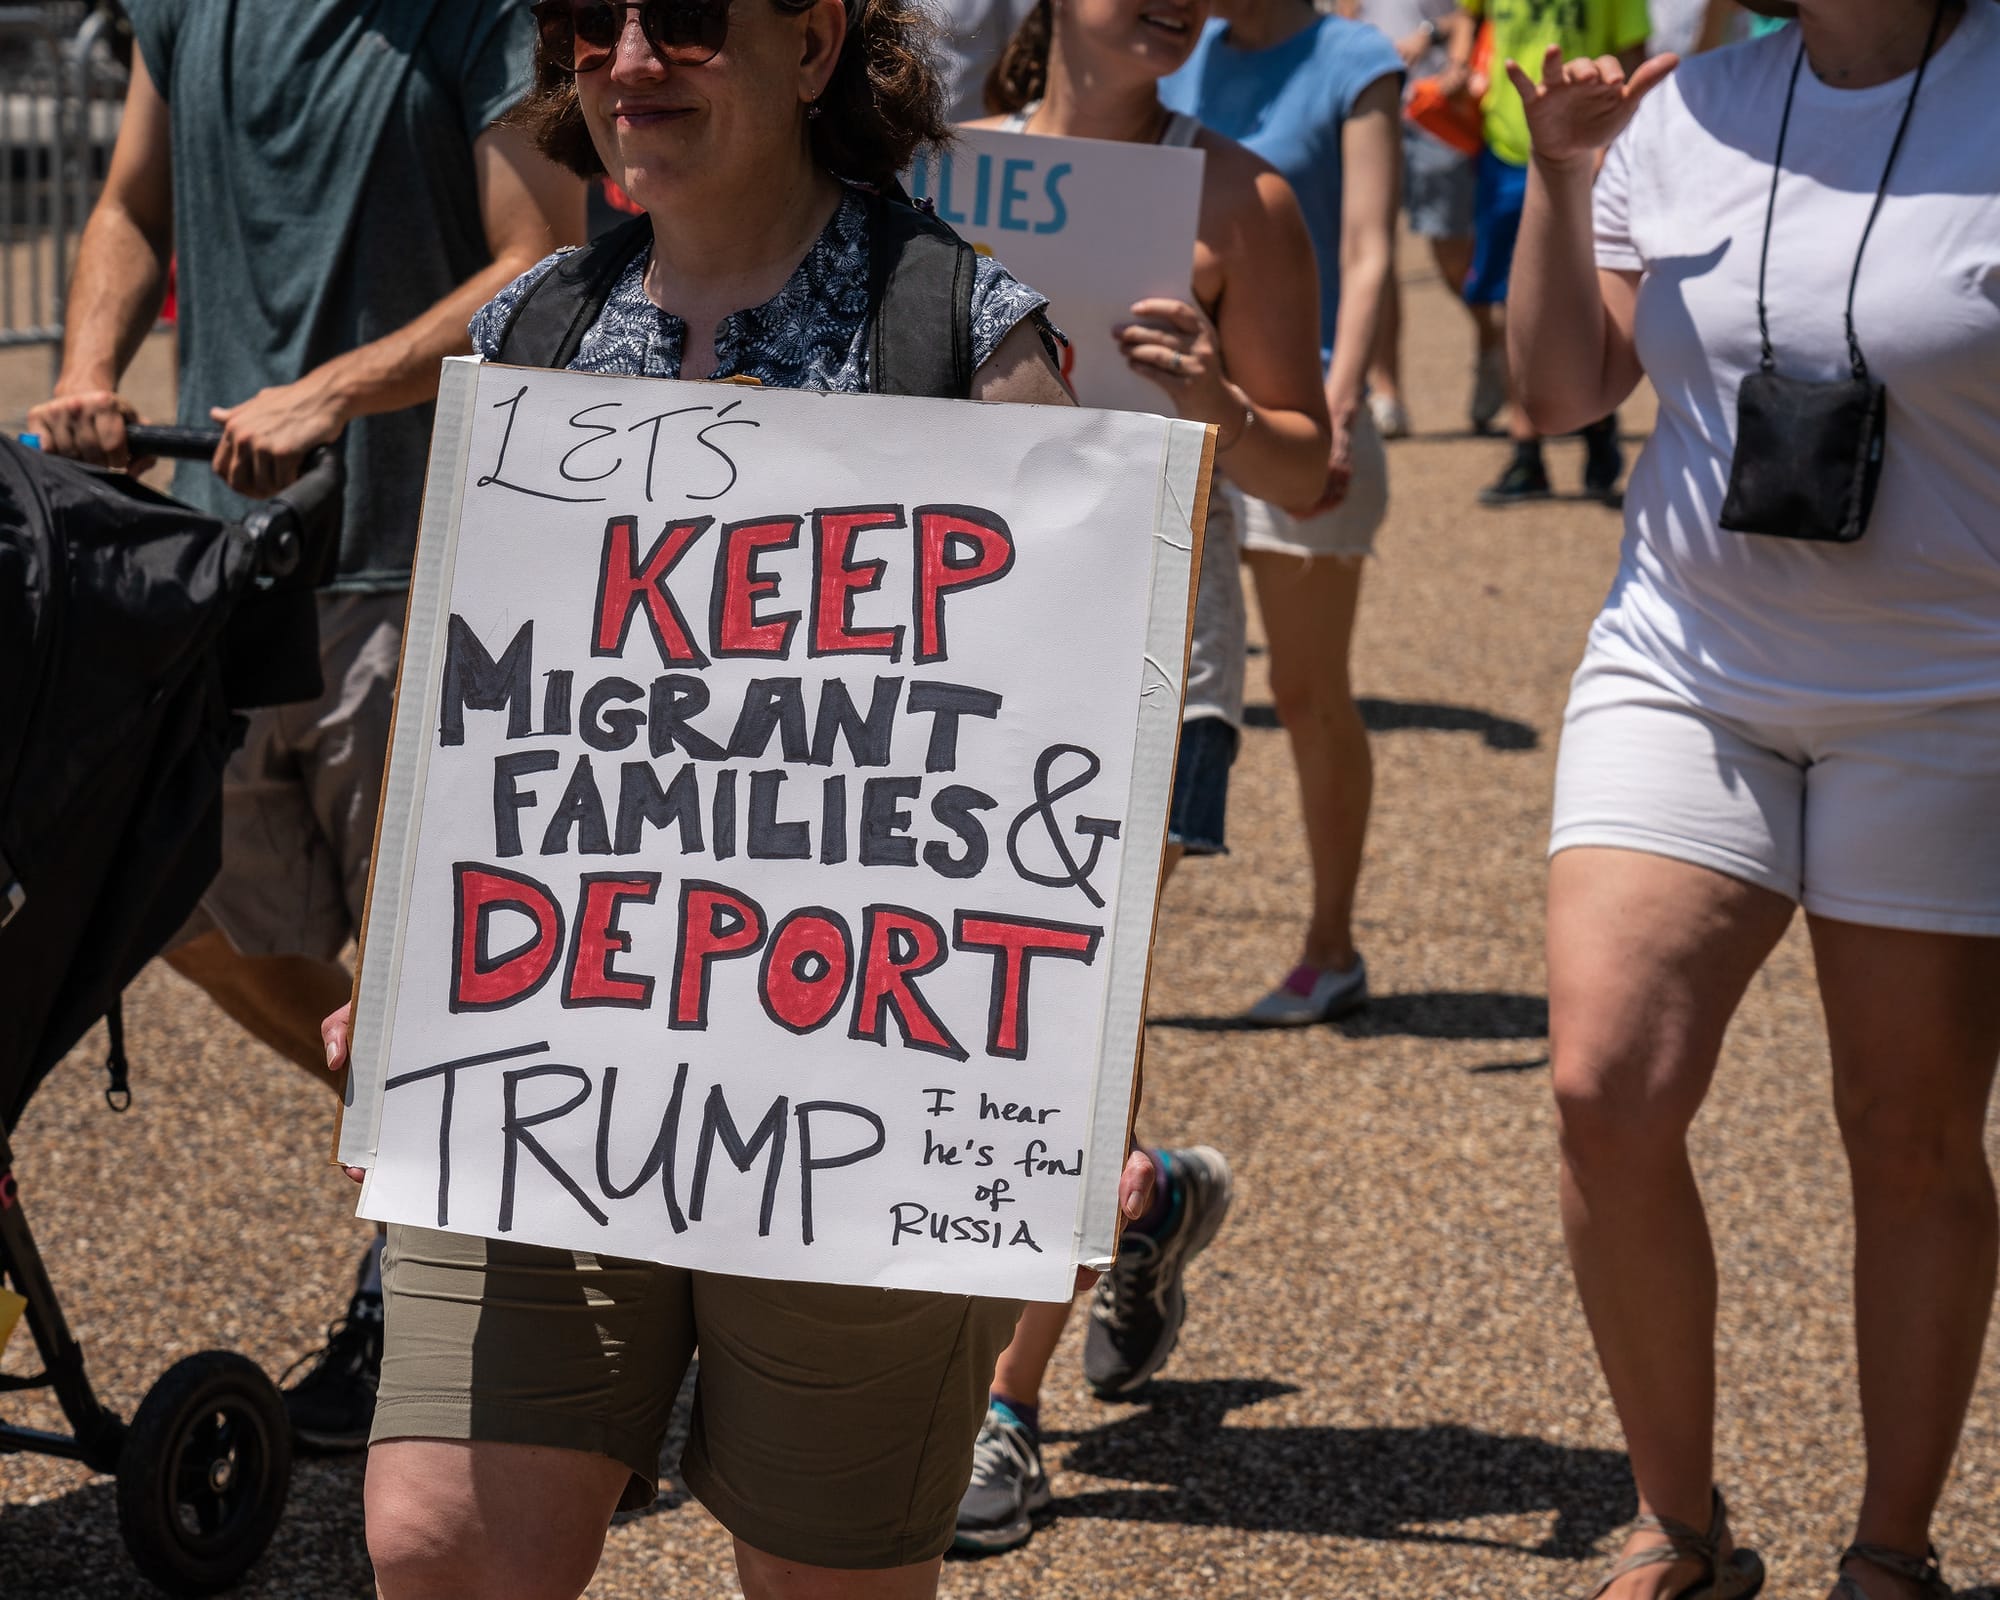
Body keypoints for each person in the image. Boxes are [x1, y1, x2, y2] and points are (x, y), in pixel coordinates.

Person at [319, 1, 1160, 1594]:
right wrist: (399, 971)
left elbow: (1064, 738)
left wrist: (1071, 1066)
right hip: (544, 1064)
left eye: (691, 18)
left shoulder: (964, 331)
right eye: (591, 22)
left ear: (818, 45)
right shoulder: (531, 337)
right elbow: (472, 700)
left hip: (860, 1091)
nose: (633, 60)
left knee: (820, 1576)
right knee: (438, 1550)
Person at [26, 1, 584, 1451]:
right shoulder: (188, 10)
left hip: (428, 550)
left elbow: (544, 257)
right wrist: (92, 369)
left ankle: (438, 1312)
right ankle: (427, 1150)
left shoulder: (477, 18)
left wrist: (337, 391)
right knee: (182, 907)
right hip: (231, 566)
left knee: (433, 966)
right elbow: (128, 207)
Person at [1507, 1, 2000, 1595]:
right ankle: (1684, 1525)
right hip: (1688, 663)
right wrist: (1557, 177)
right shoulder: (1686, 108)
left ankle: (1893, 1552)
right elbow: (1560, 393)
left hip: (1952, 689)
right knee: (1605, 1087)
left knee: (1909, 1133)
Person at [951, 0, 1333, 1551]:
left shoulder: (1240, 200)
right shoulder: (932, 171)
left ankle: (1000, 1405)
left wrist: (1225, 412)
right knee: (949, 1004)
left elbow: (1312, 465)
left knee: (1062, 1008)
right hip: (945, 643)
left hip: (1147, 652)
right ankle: (1146, 1195)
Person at [1159, 0, 1401, 1025]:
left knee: (1306, 694)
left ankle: (1328, 943)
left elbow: (1367, 249)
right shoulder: (1173, 53)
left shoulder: (1355, 59)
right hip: (1187, 410)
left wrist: (1338, 406)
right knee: (1162, 698)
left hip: (1302, 413)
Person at [1437, 0, 1647, 505]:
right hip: (1507, 146)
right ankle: (1526, 451)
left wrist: (1609, 140)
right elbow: (1469, 16)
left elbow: (1634, 55)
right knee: (1514, 298)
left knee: (1585, 296)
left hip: (1588, 147)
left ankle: (1597, 427)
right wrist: (1460, 65)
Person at [1347, 0, 1501, 438]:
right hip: (1367, 108)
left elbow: (1480, 16)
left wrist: (1432, 34)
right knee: (1374, 253)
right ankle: (1387, 393)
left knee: (1454, 260)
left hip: (1435, 109)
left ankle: (1493, 342)